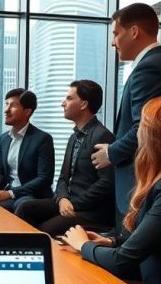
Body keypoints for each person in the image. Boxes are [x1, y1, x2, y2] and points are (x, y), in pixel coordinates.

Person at [64, 95, 161, 284]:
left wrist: (82, 245)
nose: (138, 136)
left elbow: (121, 261)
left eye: (142, 127)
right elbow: (156, 240)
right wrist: (111, 241)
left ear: (156, 136)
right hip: (143, 282)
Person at [91, 3, 161, 229]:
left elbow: (146, 128)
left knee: (129, 257)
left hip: (144, 183)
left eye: (116, 34)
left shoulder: (149, 69)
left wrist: (111, 152)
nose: (112, 42)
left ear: (134, 32)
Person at [15, 80, 114, 236]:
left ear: (84, 104)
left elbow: (106, 183)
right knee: (25, 208)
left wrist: (72, 203)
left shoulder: (103, 136)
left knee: (47, 229)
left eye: (69, 98)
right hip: (68, 203)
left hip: (90, 211)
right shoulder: (74, 137)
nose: (63, 103)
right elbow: (62, 178)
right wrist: (62, 198)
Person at [0, 88, 55, 211]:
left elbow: (44, 179)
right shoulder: (4, 139)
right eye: (6, 104)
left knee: (17, 207)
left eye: (13, 106)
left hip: (30, 196)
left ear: (27, 111)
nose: (6, 110)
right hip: (8, 194)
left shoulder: (42, 139)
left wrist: (10, 193)